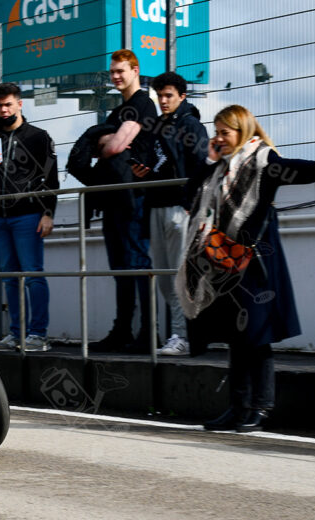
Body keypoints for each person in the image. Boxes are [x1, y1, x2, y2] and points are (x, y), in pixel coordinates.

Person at [175, 104, 315, 432]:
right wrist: (209, 161)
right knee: (234, 336)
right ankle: (237, 407)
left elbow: (293, 168)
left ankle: (260, 408)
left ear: (243, 131)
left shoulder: (263, 159)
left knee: (257, 335)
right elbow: (188, 195)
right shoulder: (218, 168)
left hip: (256, 261)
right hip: (223, 260)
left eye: (225, 132)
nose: (219, 138)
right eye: (217, 132)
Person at [0, 82, 59, 352]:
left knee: (33, 274)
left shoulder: (38, 136)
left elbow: (52, 178)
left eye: (8, 104)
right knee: (10, 276)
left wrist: (48, 213)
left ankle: (39, 334)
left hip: (29, 214)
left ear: (20, 104)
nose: (3, 109)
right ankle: (16, 334)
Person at [130, 71, 209, 356]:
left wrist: (193, 203)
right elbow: (160, 164)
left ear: (182, 96)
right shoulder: (157, 127)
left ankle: (183, 336)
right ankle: (179, 334)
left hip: (180, 207)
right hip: (156, 204)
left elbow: (202, 165)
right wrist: (142, 173)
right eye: (160, 96)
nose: (163, 101)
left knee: (178, 275)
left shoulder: (191, 125)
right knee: (164, 277)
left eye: (168, 96)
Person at [87, 49, 157, 354]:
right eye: (112, 72)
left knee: (138, 264)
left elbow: (112, 145)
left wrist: (109, 142)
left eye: (121, 71)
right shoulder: (119, 111)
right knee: (119, 267)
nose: (116, 76)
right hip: (114, 197)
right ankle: (122, 330)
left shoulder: (143, 104)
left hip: (135, 197)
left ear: (135, 70)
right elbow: (94, 144)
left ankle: (148, 333)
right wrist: (109, 142)